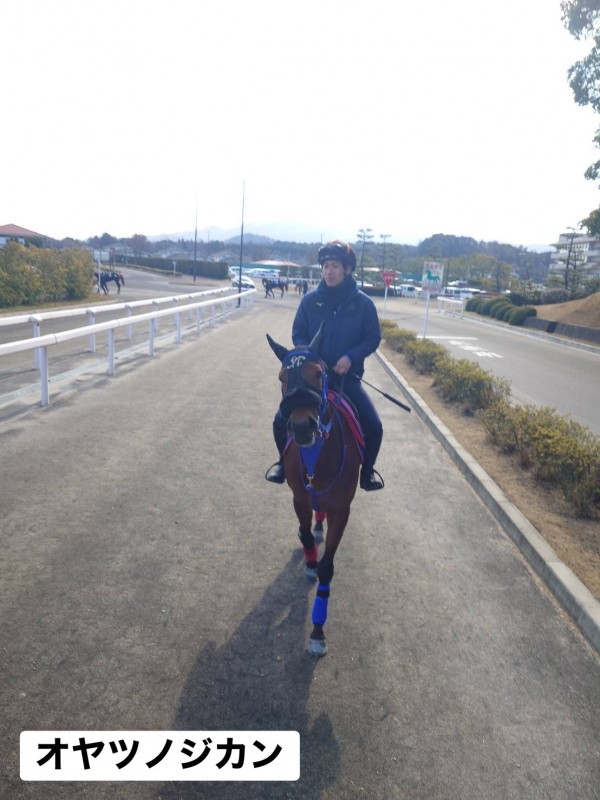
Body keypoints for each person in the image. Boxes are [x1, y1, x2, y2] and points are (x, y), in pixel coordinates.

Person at [265, 240, 384, 491]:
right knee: (279, 420)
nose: (329, 271)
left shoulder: (363, 304)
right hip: (311, 379)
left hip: (346, 380)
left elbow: (373, 337)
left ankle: (368, 472)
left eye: (335, 266)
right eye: (326, 266)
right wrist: (311, 356)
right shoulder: (309, 301)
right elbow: (298, 333)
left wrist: (350, 357)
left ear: (348, 269)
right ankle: (282, 464)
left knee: (374, 425)